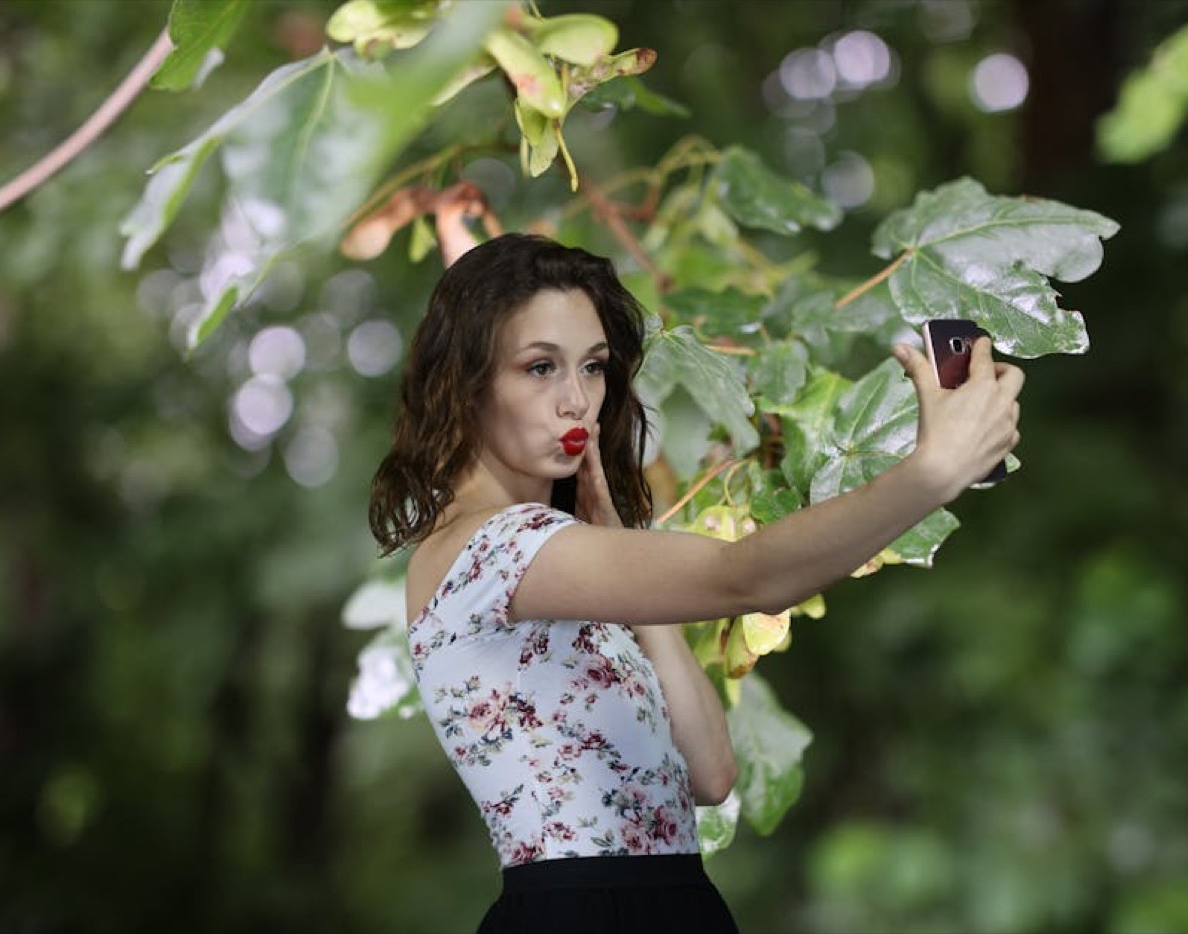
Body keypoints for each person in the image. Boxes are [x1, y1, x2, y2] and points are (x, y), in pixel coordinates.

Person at [369, 233, 1023, 932]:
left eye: (593, 368)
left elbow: (711, 774)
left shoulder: (563, 563)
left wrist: (624, 556)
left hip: (673, 900)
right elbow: (747, 578)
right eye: (539, 368)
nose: (577, 402)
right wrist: (930, 474)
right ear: (464, 381)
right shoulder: (493, 549)